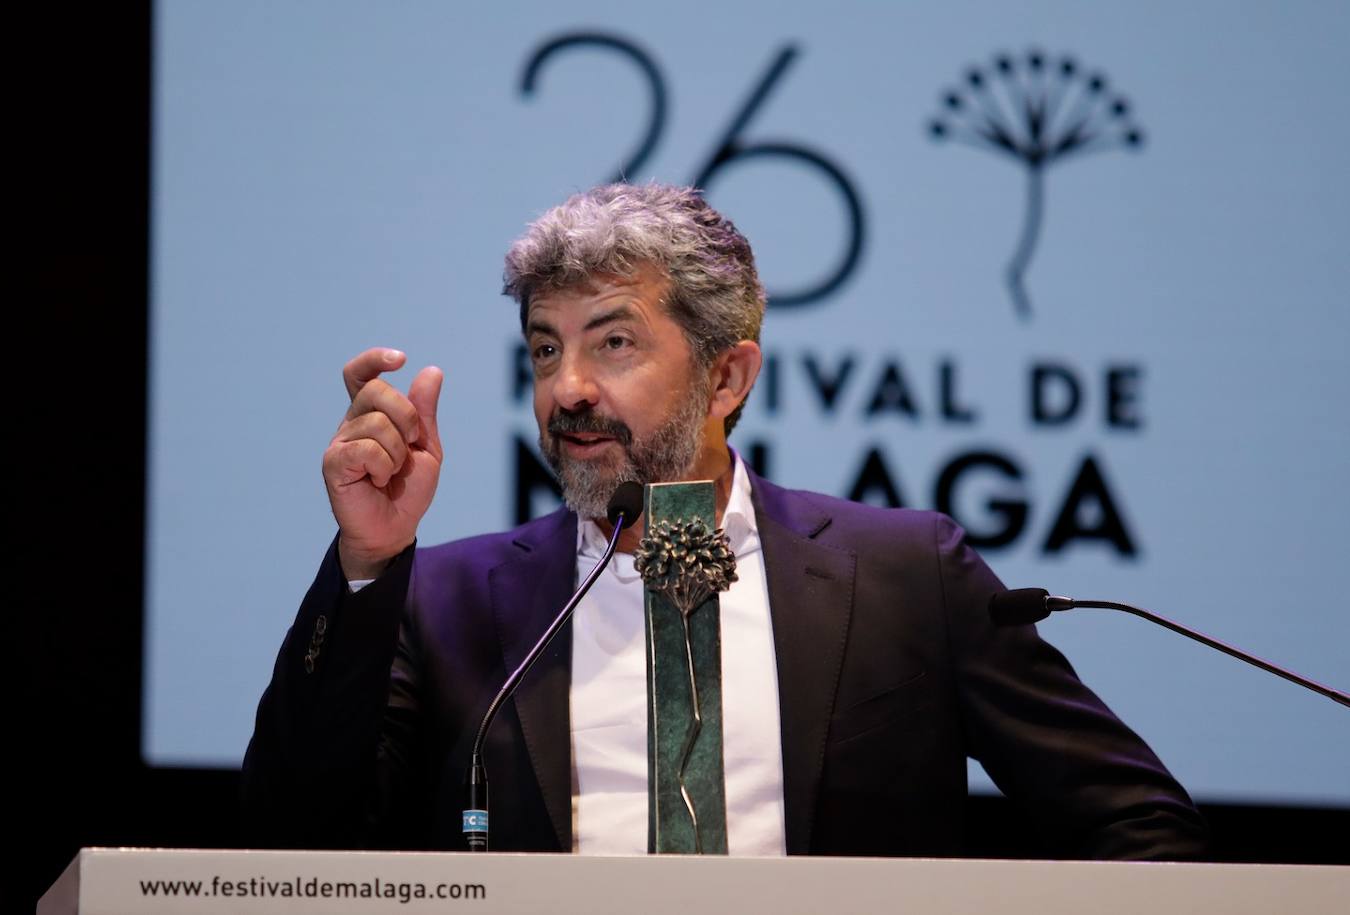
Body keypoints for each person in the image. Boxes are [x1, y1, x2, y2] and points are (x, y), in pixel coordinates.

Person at [243, 183, 1206, 858]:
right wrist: (369, 563)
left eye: (612, 341)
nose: (567, 388)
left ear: (727, 374)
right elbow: (291, 847)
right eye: (545, 348)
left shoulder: (909, 575)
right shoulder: (446, 595)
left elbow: (1138, 823)